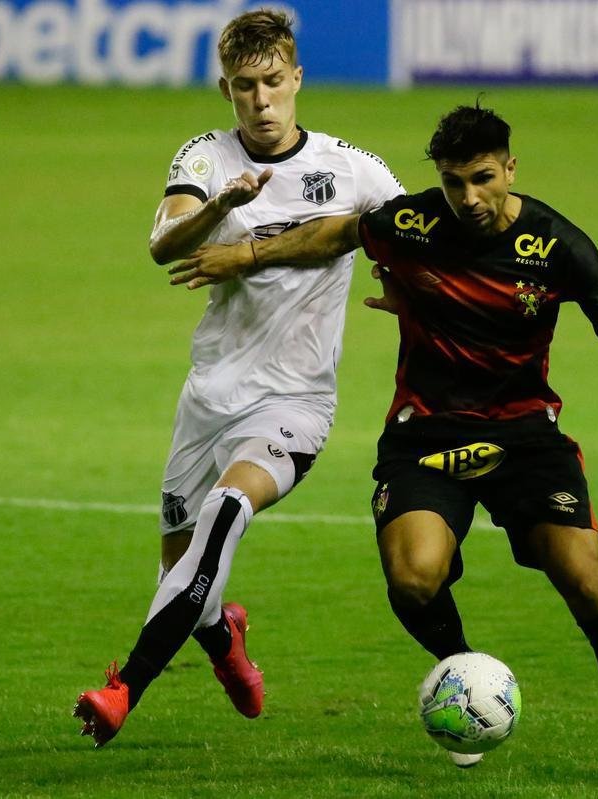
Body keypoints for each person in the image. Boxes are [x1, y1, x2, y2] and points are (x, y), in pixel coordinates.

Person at [169, 104, 598, 790]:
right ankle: (465, 676)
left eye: (483, 178)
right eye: (454, 182)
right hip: (426, 434)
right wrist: (248, 253)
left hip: (524, 435)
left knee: (585, 574)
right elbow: (338, 232)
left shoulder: (555, 243)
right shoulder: (415, 221)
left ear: (510, 169)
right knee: (413, 578)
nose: (469, 197)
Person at [72, 10, 404, 748]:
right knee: (185, 576)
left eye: (274, 82)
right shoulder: (206, 157)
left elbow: (417, 235)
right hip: (210, 397)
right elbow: (164, 242)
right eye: (245, 86)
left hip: (295, 402)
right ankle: (224, 637)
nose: (261, 100)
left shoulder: (353, 169)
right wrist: (222, 206)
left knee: (226, 512)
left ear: (297, 78)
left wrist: (407, 286)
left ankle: (123, 690)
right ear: (226, 89)